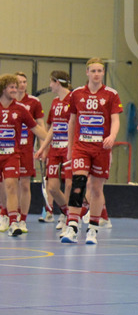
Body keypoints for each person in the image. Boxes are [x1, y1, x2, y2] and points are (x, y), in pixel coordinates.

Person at [61, 58, 122, 245]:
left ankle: (93, 228)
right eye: (93, 71)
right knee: (77, 183)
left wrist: (112, 136)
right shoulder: (77, 94)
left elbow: (115, 120)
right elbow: (72, 122)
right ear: (87, 72)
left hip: (101, 148)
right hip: (81, 146)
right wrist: (70, 148)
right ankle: (72, 226)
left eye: (100, 71)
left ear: (103, 73)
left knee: (96, 188)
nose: (97, 74)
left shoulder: (111, 94)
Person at [0, 74, 48, 236]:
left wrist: (49, 141)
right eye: (11, 87)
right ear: (3, 89)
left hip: (12, 155)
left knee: (11, 186)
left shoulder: (21, 109)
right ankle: (3, 213)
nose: (15, 90)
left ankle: (14, 222)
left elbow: (37, 129)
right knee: (2, 188)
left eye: (16, 86)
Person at [37, 71, 74, 232]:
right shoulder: (54, 102)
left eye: (51, 82)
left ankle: (70, 218)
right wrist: (42, 148)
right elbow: (53, 127)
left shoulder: (74, 99)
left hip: (69, 148)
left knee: (69, 184)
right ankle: (66, 212)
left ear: (57, 82)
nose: (50, 86)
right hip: (55, 149)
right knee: (52, 187)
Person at [14, 72, 43, 231]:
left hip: (26, 150)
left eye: (24, 82)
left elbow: (40, 126)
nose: (22, 84)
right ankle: (7, 214)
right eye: (19, 82)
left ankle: (22, 218)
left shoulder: (33, 102)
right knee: (8, 184)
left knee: (24, 185)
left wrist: (42, 147)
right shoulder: (5, 101)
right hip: (8, 149)